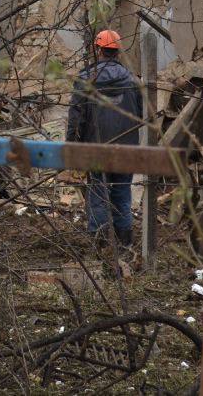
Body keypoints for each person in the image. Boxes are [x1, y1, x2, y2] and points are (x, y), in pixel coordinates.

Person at [66, 29, 144, 246]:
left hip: (96, 149)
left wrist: (72, 146)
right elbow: (139, 116)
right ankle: (125, 243)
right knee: (122, 192)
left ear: (98, 49)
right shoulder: (133, 81)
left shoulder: (85, 80)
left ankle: (99, 245)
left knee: (98, 195)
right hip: (126, 149)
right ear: (118, 51)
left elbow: (76, 117)